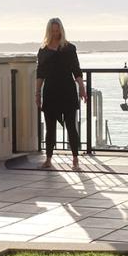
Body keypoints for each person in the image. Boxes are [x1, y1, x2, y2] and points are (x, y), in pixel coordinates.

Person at [36, 18, 86, 170]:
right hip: (50, 90)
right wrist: (37, 93)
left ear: (61, 30)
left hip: (67, 90)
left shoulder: (69, 48)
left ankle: (75, 159)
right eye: (53, 30)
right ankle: (48, 159)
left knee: (71, 125)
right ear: (49, 31)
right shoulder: (43, 50)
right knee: (50, 127)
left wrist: (82, 87)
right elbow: (40, 74)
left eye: (57, 30)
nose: (55, 33)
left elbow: (76, 70)